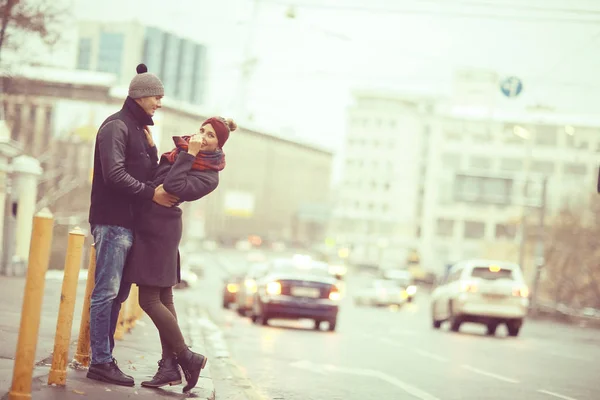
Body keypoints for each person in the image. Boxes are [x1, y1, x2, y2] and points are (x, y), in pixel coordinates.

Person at [123, 116, 236, 392]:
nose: (202, 136)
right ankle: (170, 368)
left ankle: (187, 357)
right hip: (154, 225)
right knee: (163, 296)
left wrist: (189, 154)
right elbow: (155, 179)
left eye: (210, 135)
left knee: (149, 299)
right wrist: (154, 151)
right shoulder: (182, 154)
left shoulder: (209, 175)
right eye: (202, 130)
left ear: (218, 145)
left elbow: (173, 187)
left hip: (161, 230)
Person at [87, 64, 178, 386]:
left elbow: (144, 171)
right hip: (112, 222)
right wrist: (150, 194)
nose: (160, 102)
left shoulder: (138, 130)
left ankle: (103, 358)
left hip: (129, 224)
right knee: (106, 293)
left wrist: (156, 151)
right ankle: (99, 361)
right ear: (140, 96)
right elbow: (114, 175)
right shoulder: (116, 126)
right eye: (157, 96)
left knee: (117, 294)